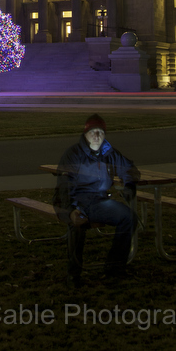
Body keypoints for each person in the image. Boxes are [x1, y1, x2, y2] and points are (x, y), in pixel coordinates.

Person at [53, 113, 139, 288]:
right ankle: (74, 274)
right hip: (76, 201)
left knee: (128, 217)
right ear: (85, 134)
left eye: (100, 132)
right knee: (77, 226)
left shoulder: (109, 152)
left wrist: (129, 184)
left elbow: (129, 168)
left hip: (99, 202)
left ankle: (114, 268)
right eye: (93, 131)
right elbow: (65, 186)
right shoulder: (73, 154)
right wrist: (71, 211)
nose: (97, 136)